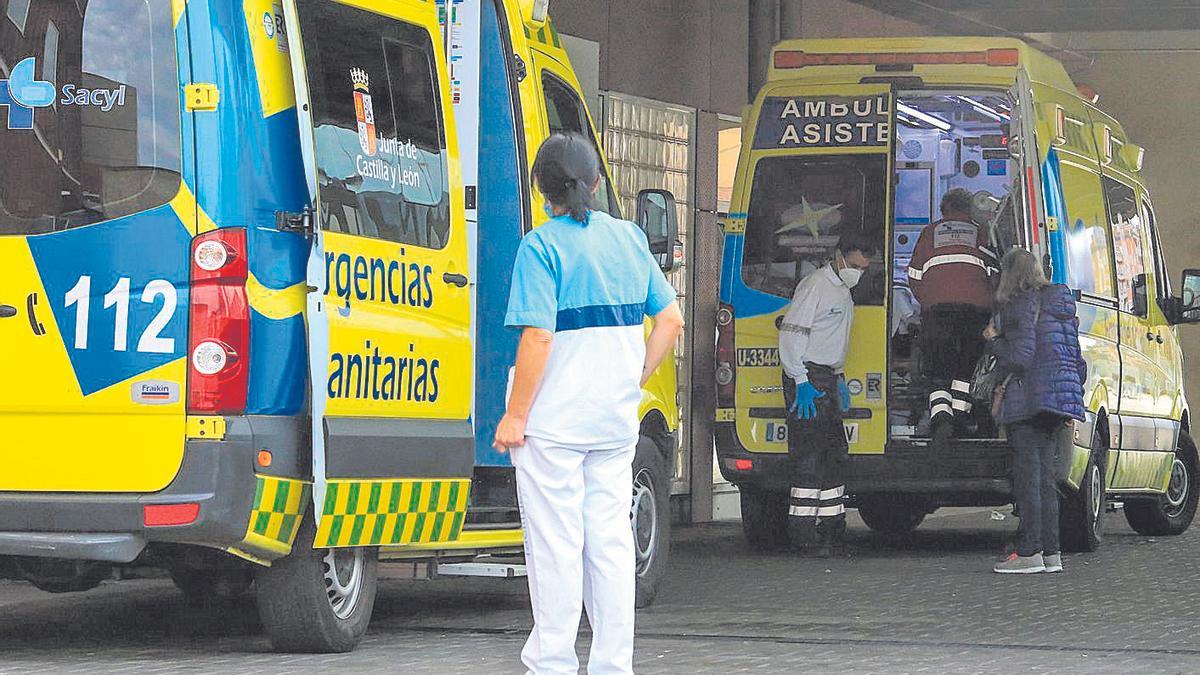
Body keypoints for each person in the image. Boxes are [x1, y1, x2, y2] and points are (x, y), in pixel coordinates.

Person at [493, 133, 685, 674]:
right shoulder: (629, 238)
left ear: (542, 191)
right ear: (597, 183)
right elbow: (670, 320)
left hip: (553, 425)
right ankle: (611, 664)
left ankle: (553, 661)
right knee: (609, 540)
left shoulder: (541, 248)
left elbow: (538, 338)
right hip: (613, 421)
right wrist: (634, 375)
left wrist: (515, 415)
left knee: (556, 543)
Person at [985, 248, 1086, 574]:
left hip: (1028, 401)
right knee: (1045, 481)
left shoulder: (1021, 305)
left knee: (1028, 480)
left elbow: (1021, 357)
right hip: (1057, 403)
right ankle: (1051, 554)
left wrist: (994, 340)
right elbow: (1078, 364)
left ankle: (1030, 552)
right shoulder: (1062, 306)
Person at [778, 233, 875, 557]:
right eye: (856, 265)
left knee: (834, 457)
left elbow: (829, 337)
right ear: (839, 256)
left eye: (864, 268)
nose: (858, 273)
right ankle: (804, 535)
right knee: (809, 459)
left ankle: (831, 531)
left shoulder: (842, 290)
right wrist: (801, 380)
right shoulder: (816, 286)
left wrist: (838, 376)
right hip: (808, 377)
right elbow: (792, 334)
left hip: (826, 377)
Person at [907, 188, 1000, 445]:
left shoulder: (929, 233)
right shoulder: (981, 232)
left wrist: (928, 302)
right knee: (966, 366)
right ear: (970, 208)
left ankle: (940, 419)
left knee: (938, 368)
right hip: (976, 311)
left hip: (938, 311)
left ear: (943, 209)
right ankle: (959, 417)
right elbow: (994, 273)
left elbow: (914, 275)